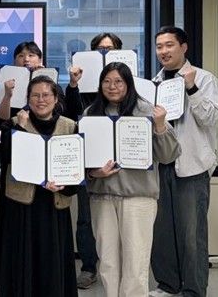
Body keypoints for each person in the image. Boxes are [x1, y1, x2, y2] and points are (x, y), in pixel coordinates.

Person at [0, 41, 80, 290]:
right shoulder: (15, 122)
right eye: (35, 96)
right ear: (27, 99)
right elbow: (7, 152)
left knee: (52, 262)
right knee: (21, 259)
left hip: (54, 202)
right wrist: (18, 124)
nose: (41, 100)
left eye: (46, 95)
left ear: (56, 98)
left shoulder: (68, 126)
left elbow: (75, 168)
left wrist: (65, 186)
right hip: (21, 201)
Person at [83, 62, 179, 297]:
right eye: (107, 82)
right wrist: (94, 173)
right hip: (102, 197)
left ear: (128, 84)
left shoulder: (148, 111)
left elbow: (169, 155)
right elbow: (80, 161)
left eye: (118, 81)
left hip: (138, 197)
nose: (112, 86)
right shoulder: (90, 114)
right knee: (107, 261)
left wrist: (160, 126)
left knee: (135, 262)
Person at [149, 26, 218, 297]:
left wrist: (192, 87)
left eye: (169, 45)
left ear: (183, 47)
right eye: (159, 46)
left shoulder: (204, 79)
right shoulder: (154, 84)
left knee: (192, 235)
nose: (163, 51)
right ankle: (167, 284)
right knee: (163, 232)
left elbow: (211, 118)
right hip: (161, 166)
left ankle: (193, 290)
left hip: (192, 167)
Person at [66, 32, 123, 289]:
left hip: (122, 164)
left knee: (121, 219)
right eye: (100, 49)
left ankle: (118, 267)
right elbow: (72, 114)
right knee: (86, 219)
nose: (105, 53)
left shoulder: (127, 86)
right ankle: (89, 268)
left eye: (110, 49)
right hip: (89, 162)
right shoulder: (84, 87)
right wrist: (74, 84)